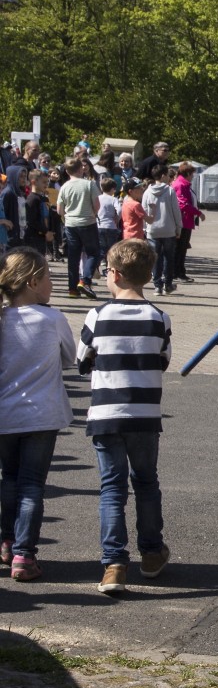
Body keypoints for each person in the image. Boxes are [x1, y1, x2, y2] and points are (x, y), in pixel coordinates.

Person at [78, 239, 173, 595]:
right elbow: (163, 359)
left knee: (112, 488)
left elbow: (82, 359)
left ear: (115, 275)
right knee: (146, 482)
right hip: (144, 415)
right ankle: (152, 552)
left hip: (106, 414)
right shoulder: (159, 317)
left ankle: (114, 564)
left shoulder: (98, 315)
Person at [0, 249, 76, 581]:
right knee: (32, 484)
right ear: (33, 282)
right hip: (42, 414)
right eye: (48, 277)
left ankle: (7, 541)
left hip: (6, 415)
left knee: (9, 479)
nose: (52, 283)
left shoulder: (2, 319)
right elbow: (70, 358)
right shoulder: (52, 319)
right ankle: (24, 554)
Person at [57, 157, 102, 298]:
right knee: (93, 253)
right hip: (88, 222)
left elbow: (59, 209)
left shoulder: (64, 187)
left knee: (73, 257)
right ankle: (85, 280)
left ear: (67, 171)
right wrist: (93, 214)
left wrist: (66, 217)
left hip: (71, 224)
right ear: (81, 169)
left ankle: (72, 289)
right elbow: (97, 205)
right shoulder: (89, 184)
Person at [142, 165, 182, 296]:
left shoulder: (147, 192)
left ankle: (157, 286)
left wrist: (145, 228)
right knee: (169, 258)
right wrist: (178, 227)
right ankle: (168, 284)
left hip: (152, 230)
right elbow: (176, 210)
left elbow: (144, 211)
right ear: (163, 175)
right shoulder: (170, 191)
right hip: (168, 228)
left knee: (155, 258)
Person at [171, 162, 204, 283]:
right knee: (180, 248)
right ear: (188, 173)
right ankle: (178, 272)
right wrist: (198, 213)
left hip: (185, 220)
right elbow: (183, 204)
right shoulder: (181, 185)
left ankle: (177, 272)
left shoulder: (182, 184)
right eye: (192, 174)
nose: (193, 176)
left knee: (181, 248)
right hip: (183, 221)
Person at [22, 170, 54, 256]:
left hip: (42, 236)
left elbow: (49, 216)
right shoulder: (32, 199)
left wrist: (50, 230)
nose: (46, 184)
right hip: (33, 237)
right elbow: (31, 220)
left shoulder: (44, 198)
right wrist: (45, 231)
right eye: (44, 182)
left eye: (47, 182)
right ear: (34, 182)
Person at [96, 177, 123, 268]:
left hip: (99, 225)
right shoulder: (114, 199)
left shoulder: (98, 198)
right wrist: (117, 218)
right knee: (111, 249)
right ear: (112, 189)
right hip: (111, 226)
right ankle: (110, 268)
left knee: (101, 248)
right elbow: (119, 210)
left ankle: (95, 267)